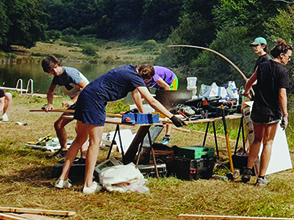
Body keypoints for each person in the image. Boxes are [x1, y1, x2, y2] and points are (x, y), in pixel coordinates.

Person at [54, 64, 187, 194]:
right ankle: (88, 185)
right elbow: (152, 101)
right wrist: (172, 116)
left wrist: (142, 112)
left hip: (85, 95)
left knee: (80, 139)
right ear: (146, 79)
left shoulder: (130, 69)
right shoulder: (136, 78)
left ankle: (62, 179)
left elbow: (136, 94)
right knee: (94, 143)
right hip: (95, 101)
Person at [241, 40, 292, 187]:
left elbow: (249, 82)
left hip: (257, 109)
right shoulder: (282, 71)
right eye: (288, 56)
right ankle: (261, 177)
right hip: (271, 111)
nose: (289, 60)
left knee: (256, 140)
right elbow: (282, 94)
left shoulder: (262, 66)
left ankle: (248, 171)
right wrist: (285, 114)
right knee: (268, 142)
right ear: (281, 56)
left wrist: (246, 92)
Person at [41, 56, 90, 157]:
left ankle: (83, 157)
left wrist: (72, 101)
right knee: (58, 125)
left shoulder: (70, 73)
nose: (55, 71)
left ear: (58, 64)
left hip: (89, 100)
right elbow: (50, 91)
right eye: (51, 70)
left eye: (55, 67)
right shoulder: (57, 78)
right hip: (78, 102)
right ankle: (64, 150)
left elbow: (86, 87)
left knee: (80, 129)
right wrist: (50, 103)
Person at [143, 65, 179, 145]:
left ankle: (167, 137)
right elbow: (145, 92)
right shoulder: (141, 77)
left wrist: (167, 100)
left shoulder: (154, 75)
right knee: (158, 107)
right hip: (160, 86)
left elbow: (166, 87)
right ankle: (153, 133)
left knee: (167, 108)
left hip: (170, 81)